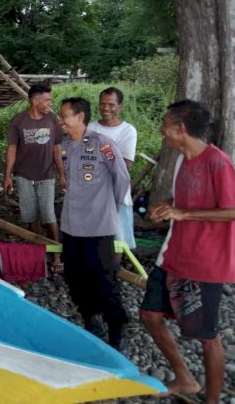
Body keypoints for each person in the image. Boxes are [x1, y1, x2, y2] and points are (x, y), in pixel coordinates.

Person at [140, 100, 235, 403]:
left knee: (208, 337)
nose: (161, 130)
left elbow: (232, 210)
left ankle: (213, 400)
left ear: (181, 128)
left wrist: (185, 214)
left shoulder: (217, 162)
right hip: (174, 256)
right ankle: (185, 377)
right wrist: (165, 205)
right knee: (150, 315)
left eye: (165, 124)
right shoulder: (183, 160)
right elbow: (181, 198)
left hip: (203, 262)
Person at [59, 97, 130, 350]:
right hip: (70, 226)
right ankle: (90, 322)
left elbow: (121, 180)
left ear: (80, 117)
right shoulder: (65, 145)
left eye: (65, 115)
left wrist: (109, 208)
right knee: (75, 278)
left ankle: (116, 334)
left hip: (98, 228)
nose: (62, 121)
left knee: (104, 281)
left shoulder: (103, 145)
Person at [3, 82, 66, 272]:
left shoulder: (53, 120)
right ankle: (38, 252)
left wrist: (62, 174)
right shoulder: (18, 121)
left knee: (49, 216)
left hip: (47, 175)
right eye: (46, 100)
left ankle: (56, 255)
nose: (50, 103)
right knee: (31, 217)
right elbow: (12, 149)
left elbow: (57, 148)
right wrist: (7, 176)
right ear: (34, 100)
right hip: (23, 175)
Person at [87, 87, 138, 258]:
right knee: (92, 235)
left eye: (111, 104)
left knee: (118, 240)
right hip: (91, 192)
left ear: (120, 106)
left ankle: (113, 273)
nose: (106, 108)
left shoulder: (128, 131)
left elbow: (125, 165)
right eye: (102, 104)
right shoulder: (89, 128)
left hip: (116, 193)